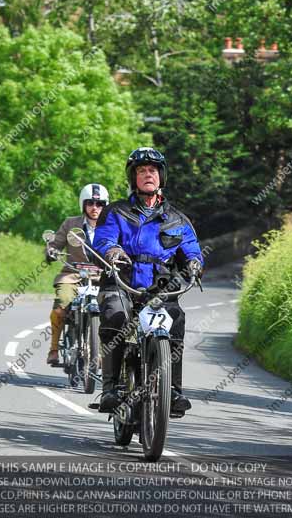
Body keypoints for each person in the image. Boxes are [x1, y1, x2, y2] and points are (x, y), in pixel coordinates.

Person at [94, 147, 203, 415]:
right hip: (122, 282)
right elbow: (103, 239)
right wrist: (113, 252)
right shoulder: (115, 212)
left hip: (160, 287)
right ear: (133, 178)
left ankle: (173, 390)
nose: (147, 175)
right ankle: (110, 389)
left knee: (175, 317)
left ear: (161, 176)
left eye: (152, 170)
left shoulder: (178, 219)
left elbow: (191, 247)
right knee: (116, 315)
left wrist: (194, 262)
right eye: (141, 171)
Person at [45, 183, 109, 366]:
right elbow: (55, 244)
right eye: (90, 203)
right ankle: (54, 349)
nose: (95, 208)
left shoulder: (112, 226)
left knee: (115, 311)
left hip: (101, 277)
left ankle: (108, 354)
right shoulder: (70, 223)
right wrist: (51, 251)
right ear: (83, 204)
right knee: (60, 308)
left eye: (100, 204)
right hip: (72, 274)